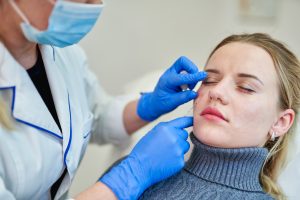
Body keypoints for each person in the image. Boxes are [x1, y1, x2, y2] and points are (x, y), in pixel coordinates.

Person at [0, 0, 207, 199]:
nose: (94, 6)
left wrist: (149, 105)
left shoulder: (65, 55)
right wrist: (129, 177)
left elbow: (95, 116)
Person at [137, 33, 300, 200]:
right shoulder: (135, 176)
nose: (216, 91)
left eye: (246, 87)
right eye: (209, 80)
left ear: (280, 122)